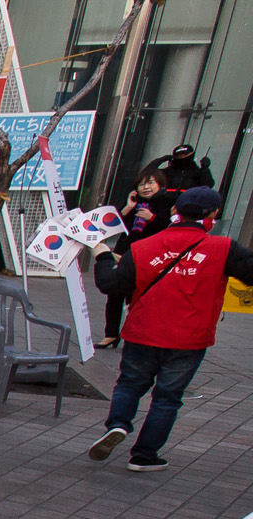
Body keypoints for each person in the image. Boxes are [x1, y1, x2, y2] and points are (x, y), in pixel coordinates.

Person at [88, 186, 253, 473]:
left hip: (142, 331)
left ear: (175, 210)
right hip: (189, 339)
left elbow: (110, 285)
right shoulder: (224, 248)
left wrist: (102, 256)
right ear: (213, 214)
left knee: (129, 384)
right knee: (167, 398)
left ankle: (117, 425)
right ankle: (143, 456)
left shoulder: (143, 247)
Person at [100, 168, 176, 348]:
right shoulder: (134, 203)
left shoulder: (167, 204)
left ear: (160, 185)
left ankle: (133, 335)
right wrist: (127, 208)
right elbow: (112, 225)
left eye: (150, 183)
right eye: (142, 184)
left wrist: (153, 218)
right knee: (114, 294)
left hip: (147, 256)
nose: (146, 187)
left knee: (135, 297)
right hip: (123, 253)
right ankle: (111, 334)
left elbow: (171, 230)